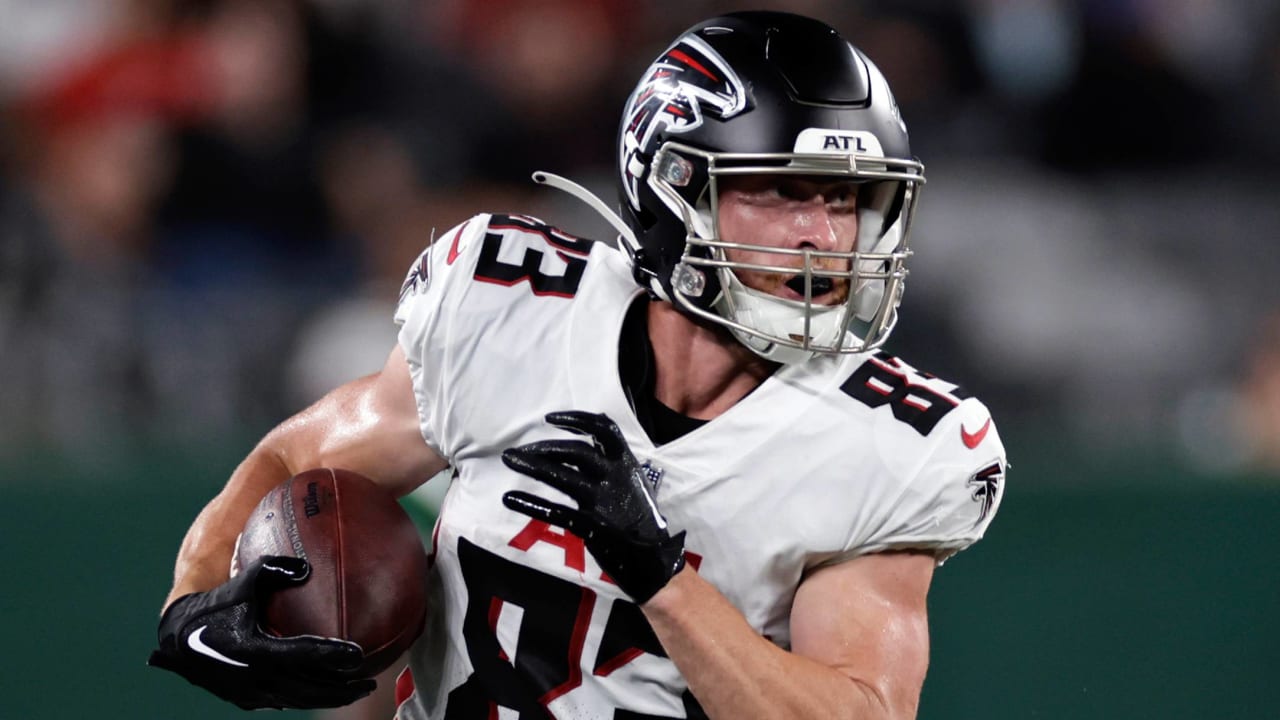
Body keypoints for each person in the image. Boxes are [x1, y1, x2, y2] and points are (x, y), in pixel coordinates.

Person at [148, 11, 1006, 719]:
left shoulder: (891, 442)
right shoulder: (510, 312)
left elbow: (859, 712)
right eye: (780, 190)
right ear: (672, 187)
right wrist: (191, 603)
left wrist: (663, 582)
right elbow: (298, 462)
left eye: (850, 198)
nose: (824, 235)